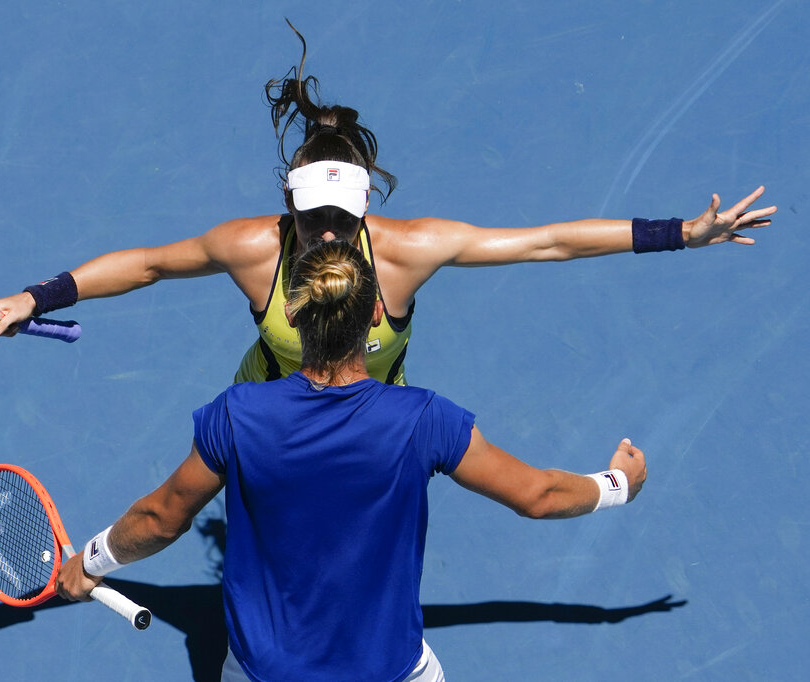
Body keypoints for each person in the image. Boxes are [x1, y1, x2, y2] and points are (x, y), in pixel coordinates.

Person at [0, 25, 775, 385]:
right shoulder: (251, 247)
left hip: (370, 412)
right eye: (312, 215)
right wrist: (37, 296)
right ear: (288, 204)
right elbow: (148, 265)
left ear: (364, 206)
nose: (326, 230)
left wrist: (681, 233)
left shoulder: (408, 249)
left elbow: (549, 242)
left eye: (340, 215)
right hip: (268, 401)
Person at [55, 240, 648, 681]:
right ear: (374, 316)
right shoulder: (424, 419)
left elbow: (161, 519)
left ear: (292, 315)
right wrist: (618, 482)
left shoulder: (238, 413)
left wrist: (91, 561)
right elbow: (539, 495)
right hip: (387, 671)